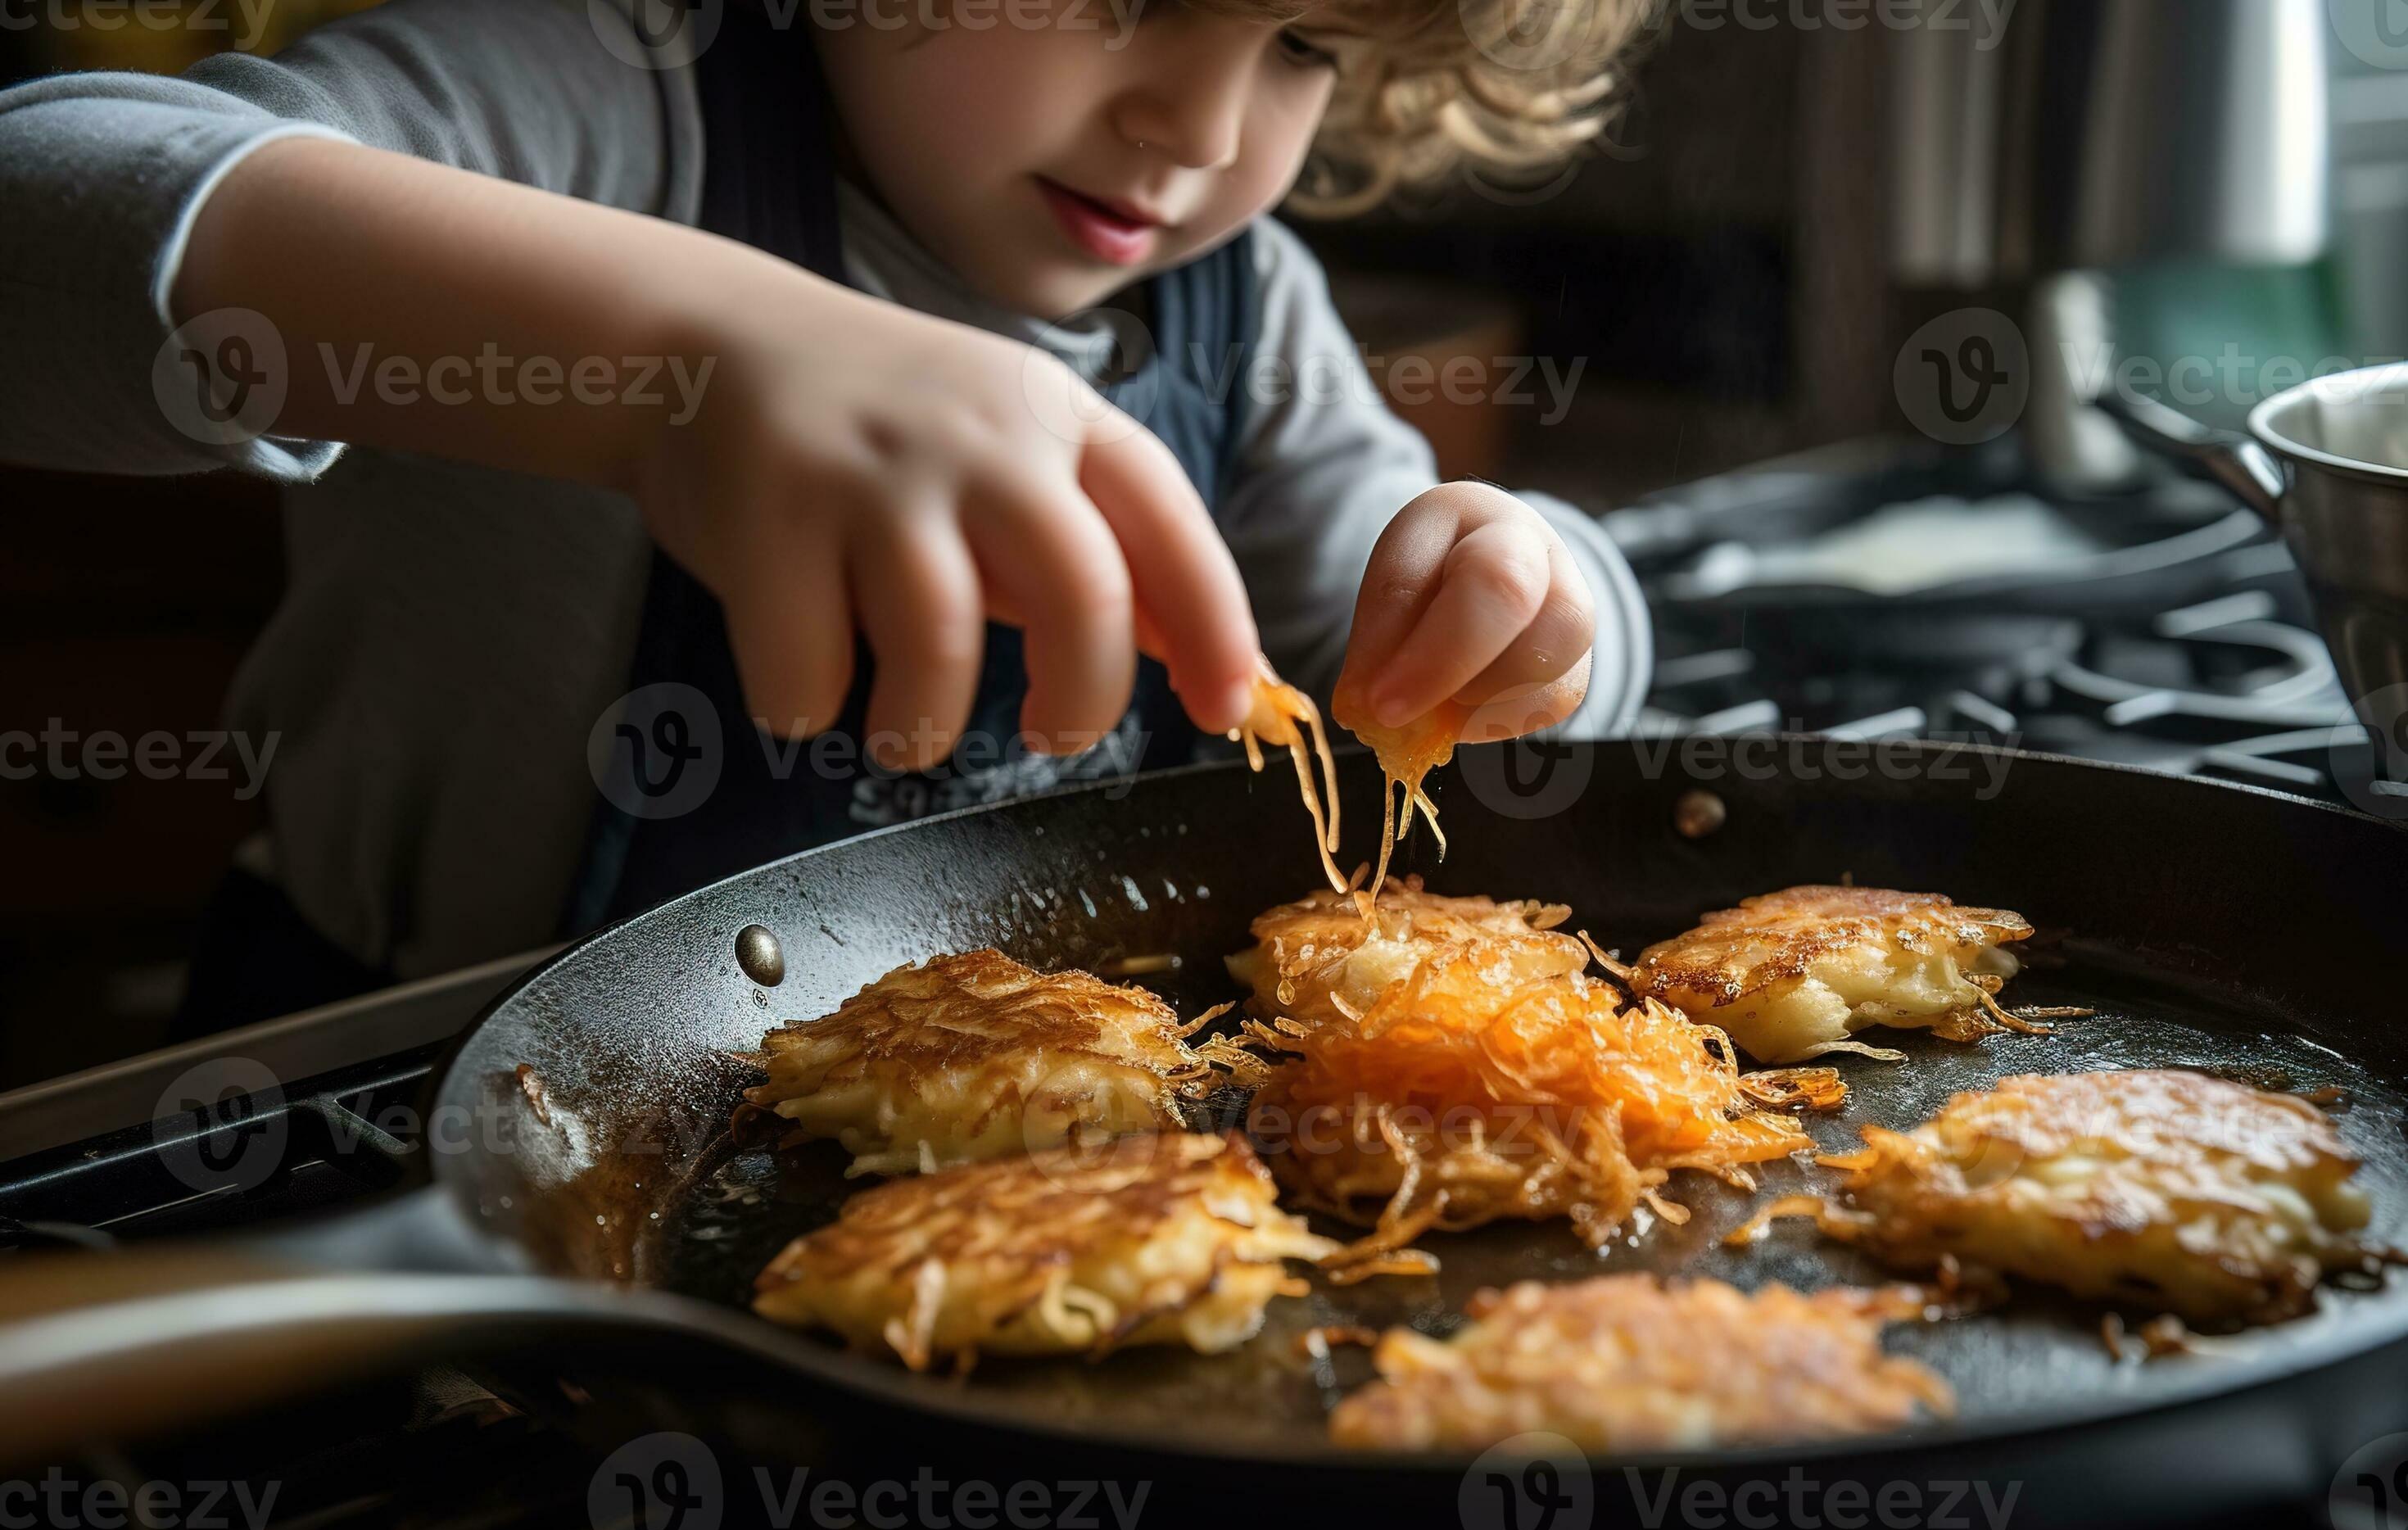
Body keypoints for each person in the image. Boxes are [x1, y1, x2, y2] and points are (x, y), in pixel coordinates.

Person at [0, 0, 1654, 1032]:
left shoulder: (1242, 303)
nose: (1201, 130)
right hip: (386, 1132)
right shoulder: (605, 88)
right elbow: (55, 196)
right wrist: (683, 363)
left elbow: (1450, 622)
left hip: (997, 1182)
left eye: (1303, 44)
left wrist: (1535, 588)